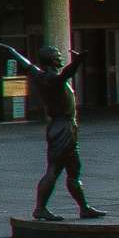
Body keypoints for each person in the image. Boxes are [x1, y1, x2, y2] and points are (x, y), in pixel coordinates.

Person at [22, 46, 98, 220]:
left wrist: (11, 51)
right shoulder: (51, 79)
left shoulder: (39, 75)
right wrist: (78, 62)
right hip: (62, 128)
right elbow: (66, 74)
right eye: (57, 56)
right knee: (54, 170)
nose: (61, 58)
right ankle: (40, 208)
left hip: (65, 127)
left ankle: (84, 208)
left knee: (73, 170)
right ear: (50, 60)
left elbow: (25, 64)